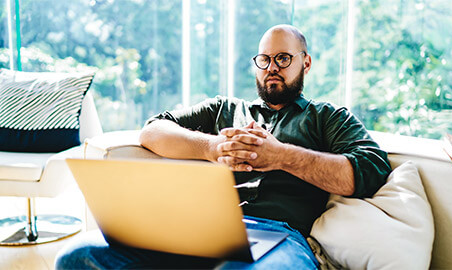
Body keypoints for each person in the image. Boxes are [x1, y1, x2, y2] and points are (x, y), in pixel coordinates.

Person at [55, 24, 391, 269]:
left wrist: (281, 157)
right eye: (264, 59)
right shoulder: (224, 110)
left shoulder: (325, 117)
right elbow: (153, 130)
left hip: (281, 236)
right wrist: (212, 147)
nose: (272, 67)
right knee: (76, 257)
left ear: (306, 62)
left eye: (283, 58)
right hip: (202, 228)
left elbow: (371, 169)